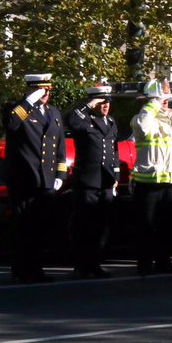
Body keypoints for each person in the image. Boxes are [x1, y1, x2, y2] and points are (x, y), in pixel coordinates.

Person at [4, 73, 66, 283]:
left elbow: (60, 147)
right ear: (31, 89)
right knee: (23, 226)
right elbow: (11, 123)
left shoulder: (53, 113)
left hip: (47, 180)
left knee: (40, 227)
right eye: (41, 89)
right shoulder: (17, 109)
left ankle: (36, 268)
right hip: (24, 178)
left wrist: (60, 174)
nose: (46, 93)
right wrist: (29, 101)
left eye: (48, 90)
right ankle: (21, 269)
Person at [130, 79, 172, 276]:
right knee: (146, 227)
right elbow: (144, 128)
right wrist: (153, 102)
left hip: (170, 183)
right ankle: (144, 265)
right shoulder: (143, 118)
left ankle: (164, 262)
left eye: (166, 99)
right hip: (149, 182)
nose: (165, 102)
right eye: (161, 99)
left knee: (167, 227)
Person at [66, 83, 118, 279]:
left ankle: (95, 262)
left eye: (108, 102)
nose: (106, 106)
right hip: (88, 180)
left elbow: (114, 152)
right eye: (102, 102)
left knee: (101, 225)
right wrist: (89, 104)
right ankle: (82, 264)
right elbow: (71, 120)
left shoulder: (111, 122)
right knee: (83, 225)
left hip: (105, 180)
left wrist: (116, 176)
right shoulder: (84, 121)